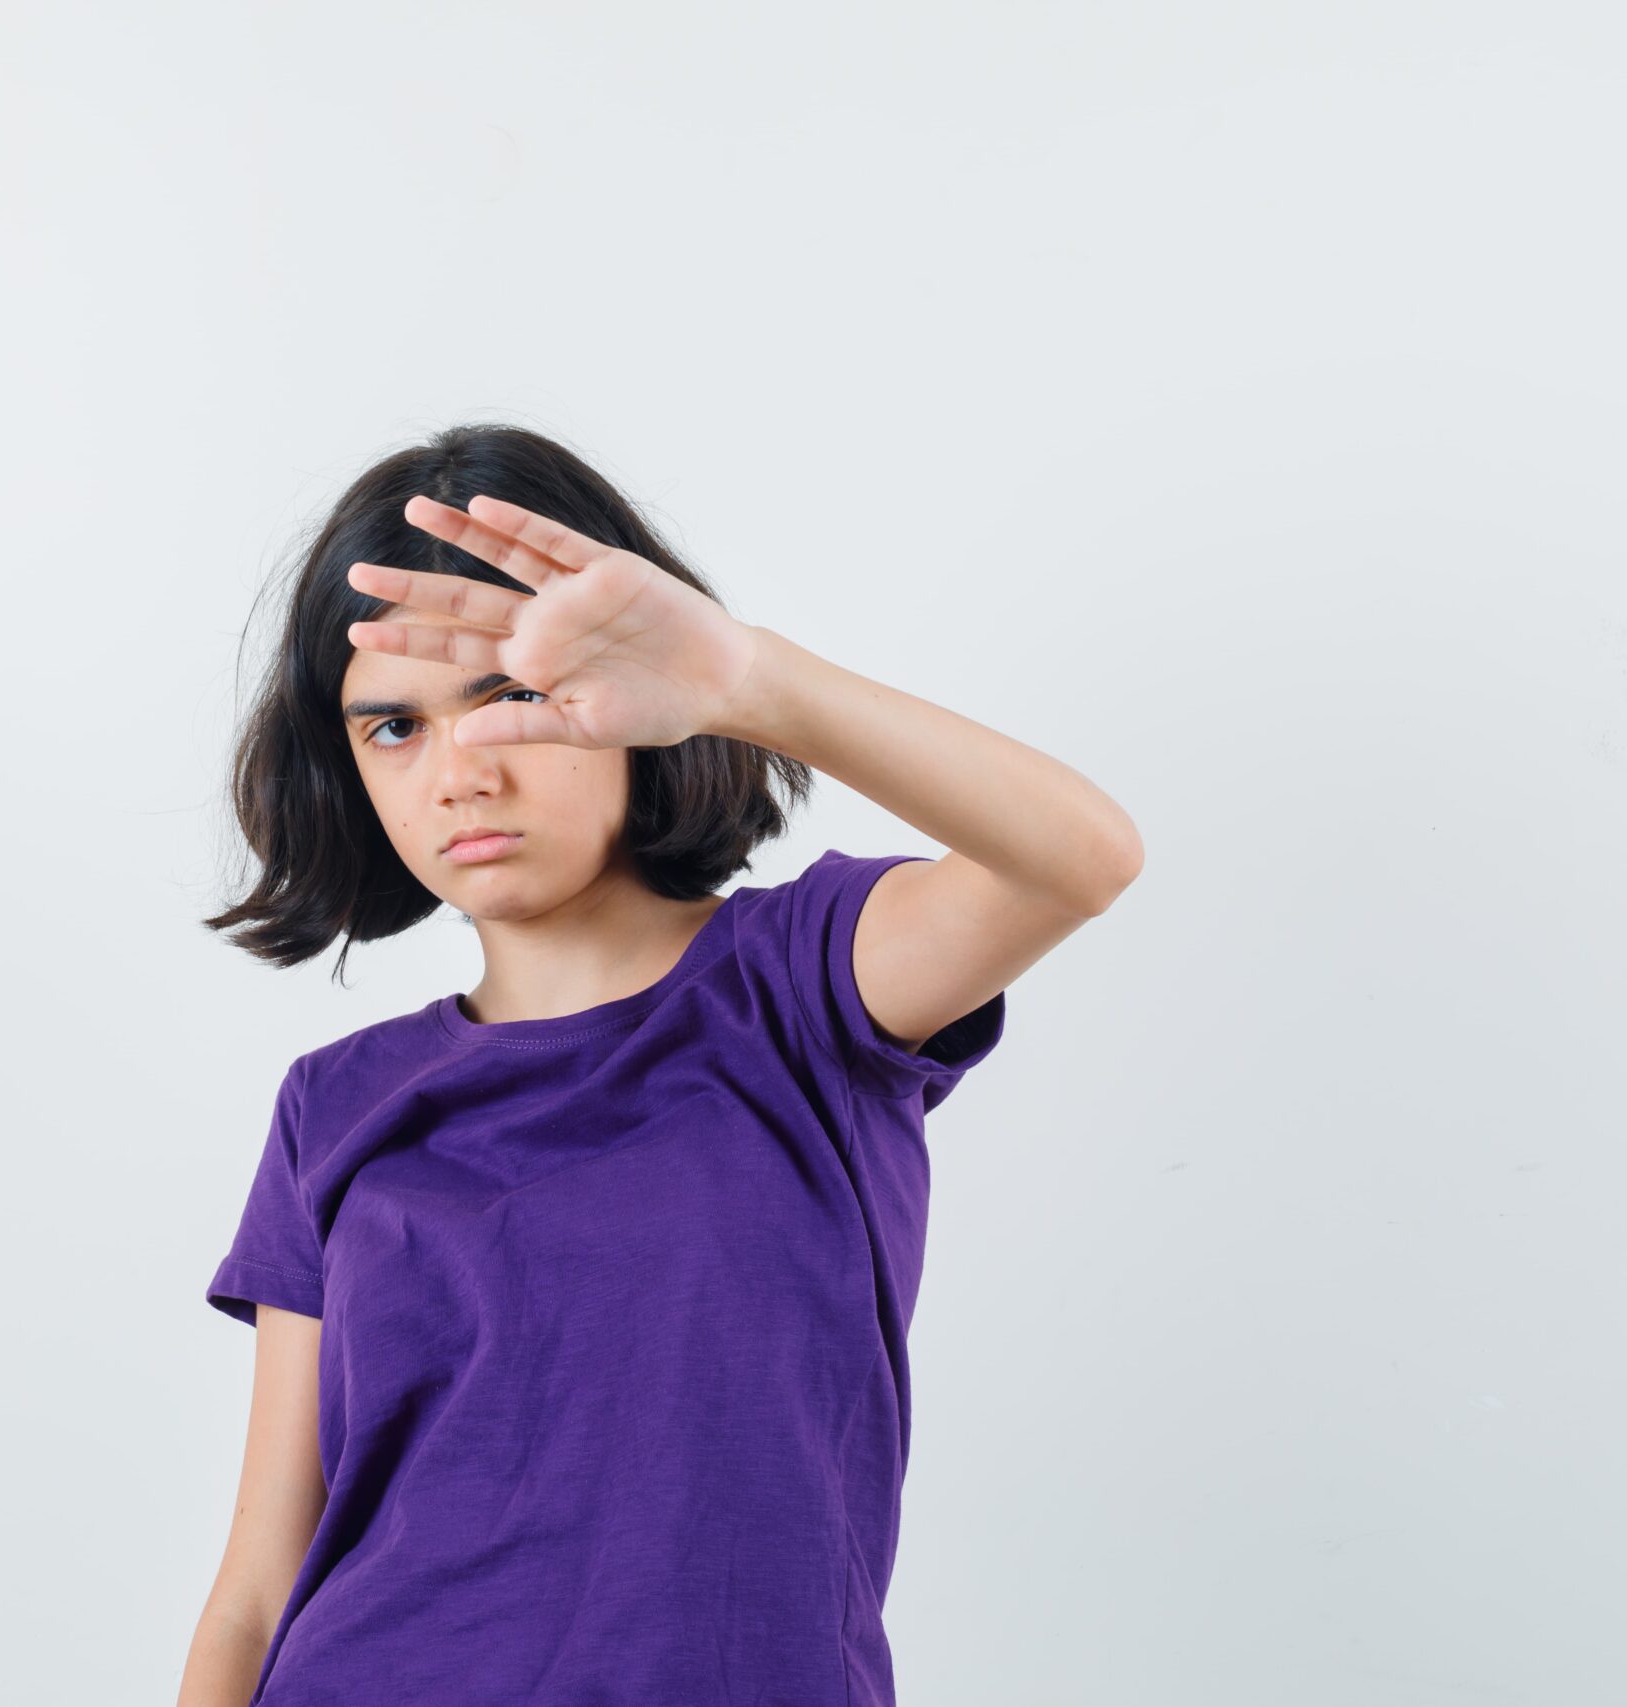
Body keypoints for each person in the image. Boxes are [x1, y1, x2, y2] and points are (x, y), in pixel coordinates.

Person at [175, 423, 1141, 1707]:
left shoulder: (805, 987)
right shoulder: (334, 1104)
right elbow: (257, 1587)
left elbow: (1081, 857)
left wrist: (752, 681)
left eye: (508, 695)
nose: (460, 772)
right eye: (393, 729)